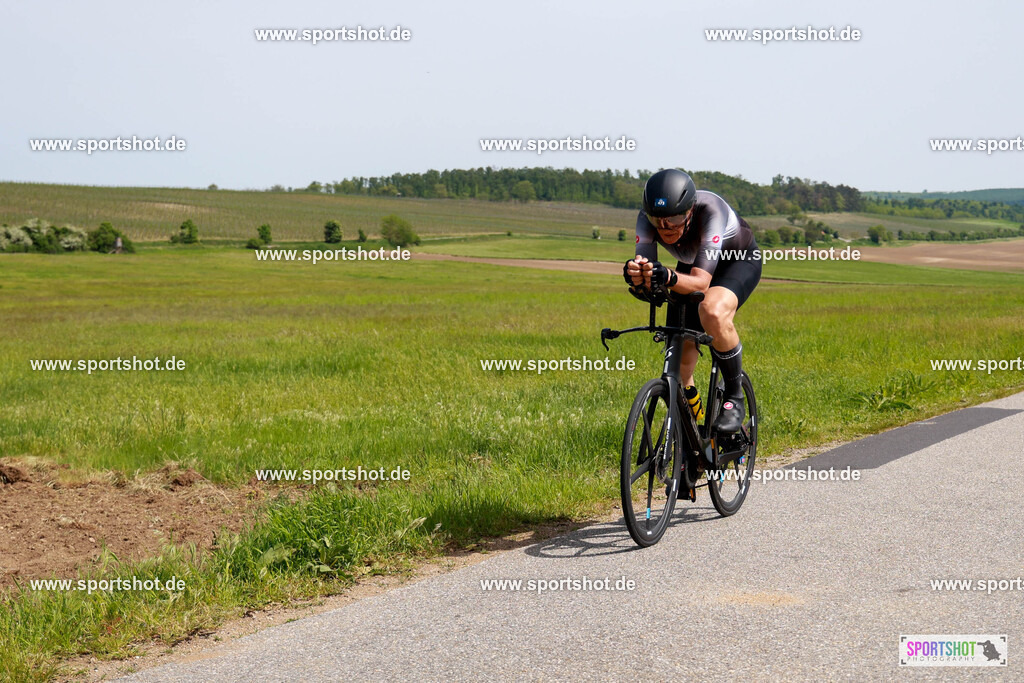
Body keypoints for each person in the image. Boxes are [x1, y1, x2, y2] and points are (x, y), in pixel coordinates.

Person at [623, 169, 761, 433]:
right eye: (657, 220)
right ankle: (693, 431)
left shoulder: (711, 211)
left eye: (674, 219)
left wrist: (666, 276)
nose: (665, 228)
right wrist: (637, 276)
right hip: (691, 266)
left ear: (689, 211)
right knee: (682, 364)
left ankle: (734, 398)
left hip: (736, 262)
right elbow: (648, 268)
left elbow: (700, 283)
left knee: (711, 310)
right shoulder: (647, 218)